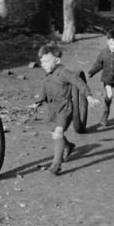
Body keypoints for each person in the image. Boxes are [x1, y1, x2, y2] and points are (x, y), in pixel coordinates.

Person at [31, 43, 100, 176]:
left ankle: (56, 165)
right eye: (41, 61)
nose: (43, 64)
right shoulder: (48, 75)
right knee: (55, 134)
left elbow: (78, 81)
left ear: (57, 60)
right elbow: (44, 89)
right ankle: (68, 146)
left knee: (57, 133)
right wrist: (38, 102)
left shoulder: (64, 73)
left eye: (46, 61)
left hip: (65, 108)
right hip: (52, 109)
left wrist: (89, 96)